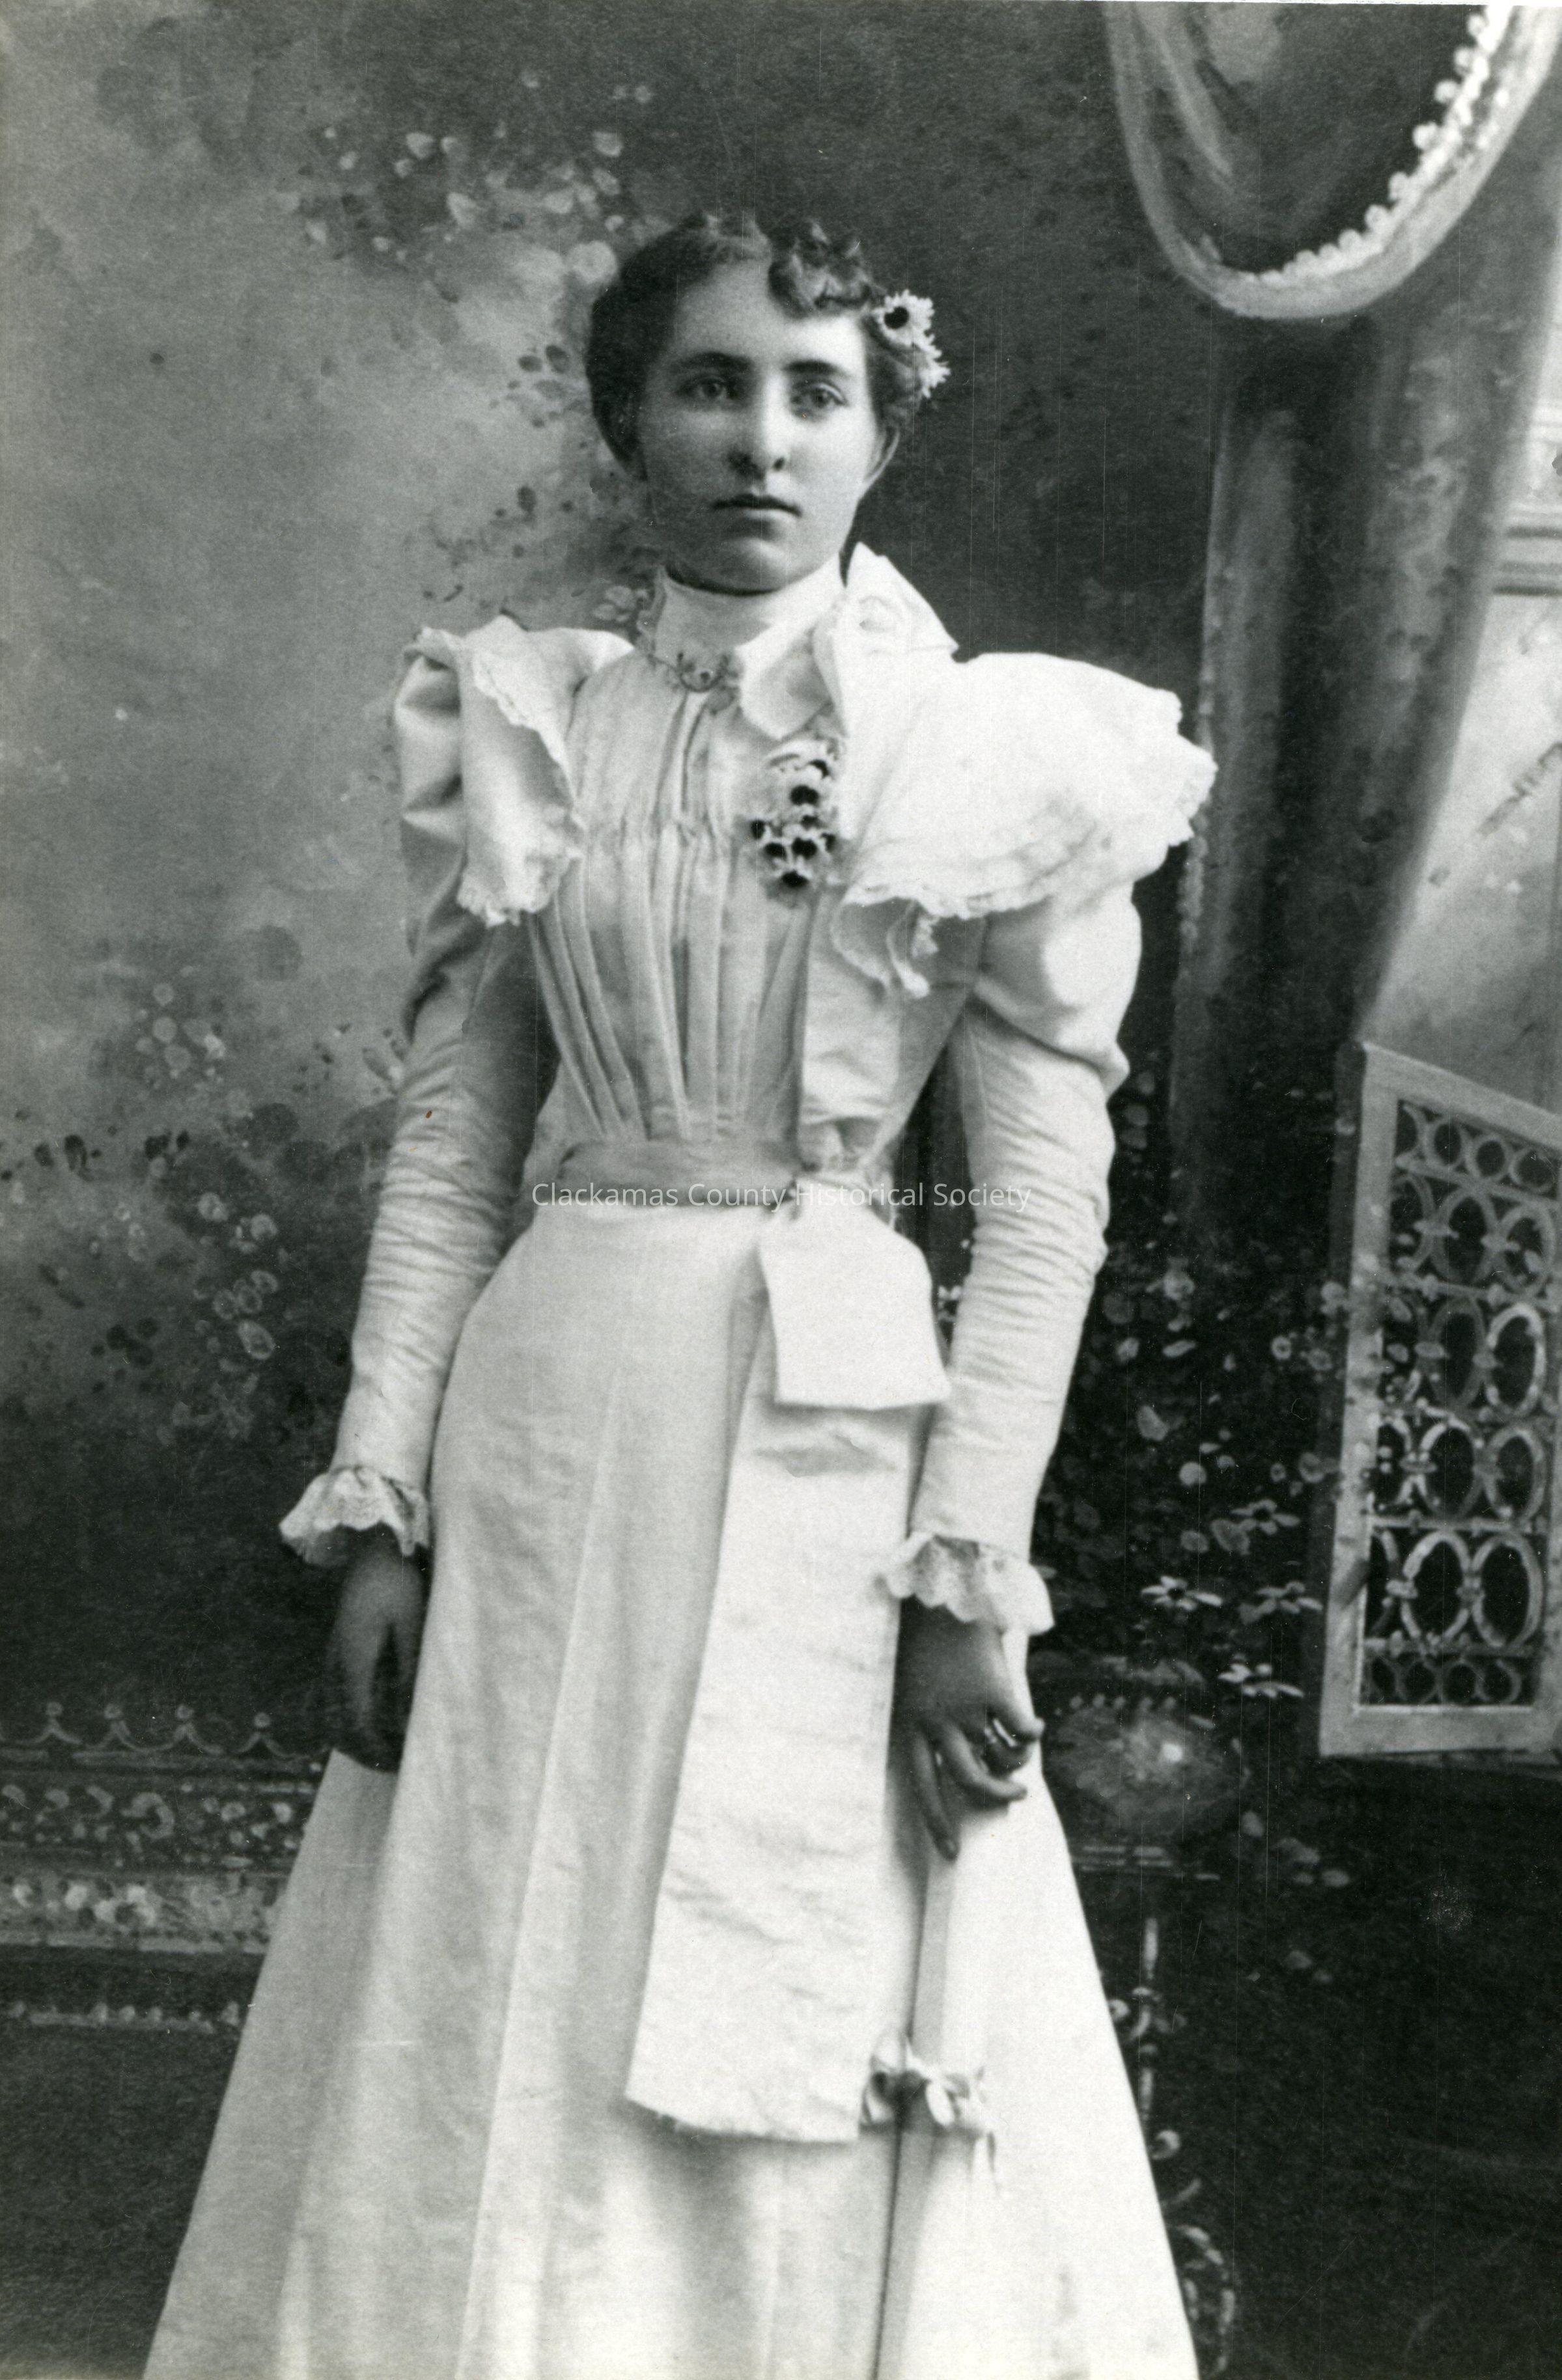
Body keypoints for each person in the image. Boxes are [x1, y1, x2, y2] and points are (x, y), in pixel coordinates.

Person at [146, 214, 1212, 2380]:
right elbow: (456, 1146)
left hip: (832, 1439)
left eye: (816, 394)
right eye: (710, 385)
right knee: (504, 1942)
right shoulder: (534, 719)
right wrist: (386, 1504)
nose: (760, 440)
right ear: (629, 419)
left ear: (884, 434)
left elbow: (1043, 1210)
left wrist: (965, 1577)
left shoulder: (984, 747)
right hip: (550, 1430)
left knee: (801, 1941)